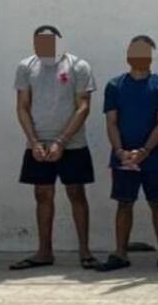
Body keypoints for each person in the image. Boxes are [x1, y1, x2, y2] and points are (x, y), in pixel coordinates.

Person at [11, 25, 97, 270]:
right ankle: (44, 251)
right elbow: (22, 106)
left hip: (72, 144)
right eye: (40, 42)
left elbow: (83, 106)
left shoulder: (78, 66)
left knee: (76, 194)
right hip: (38, 143)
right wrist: (35, 142)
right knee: (43, 195)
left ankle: (85, 251)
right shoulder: (26, 67)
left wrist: (62, 140)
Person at [97, 35, 158, 272]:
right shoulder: (114, 86)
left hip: (155, 158)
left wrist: (144, 151)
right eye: (135, 50)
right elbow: (112, 122)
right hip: (123, 158)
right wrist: (120, 152)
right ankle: (120, 253)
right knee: (124, 204)